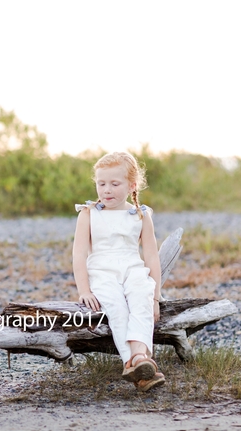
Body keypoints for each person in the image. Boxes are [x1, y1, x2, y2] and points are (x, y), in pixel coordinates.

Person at [72, 151, 165, 392]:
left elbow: (152, 256)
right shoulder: (88, 213)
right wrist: (84, 290)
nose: (107, 190)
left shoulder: (141, 215)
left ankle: (138, 359)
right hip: (102, 272)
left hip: (132, 268)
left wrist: (155, 297)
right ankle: (136, 362)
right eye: (101, 184)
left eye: (114, 184)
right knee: (116, 308)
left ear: (132, 185)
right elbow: (79, 254)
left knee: (140, 301)